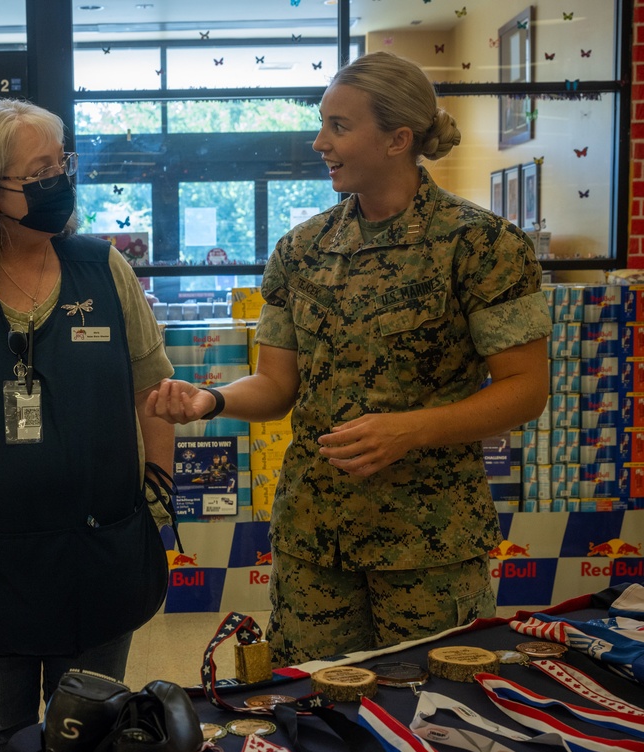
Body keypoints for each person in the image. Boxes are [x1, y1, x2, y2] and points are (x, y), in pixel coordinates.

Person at [147, 50, 552, 665]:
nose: (319, 142)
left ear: (398, 139)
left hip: (429, 539)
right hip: (315, 536)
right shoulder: (301, 249)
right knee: (309, 711)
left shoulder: (482, 245)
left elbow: (526, 387)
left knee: (428, 713)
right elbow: (278, 384)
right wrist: (213, 399)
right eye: (322, 124)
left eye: (339, 126)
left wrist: (412, 430)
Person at [0, 97, 175, 752]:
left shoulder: (102, 268)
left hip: (101, 551)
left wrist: (157, 494)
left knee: (92, 717)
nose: (61, 181)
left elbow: (154, 384)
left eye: (64, 165)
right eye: (39, 171)